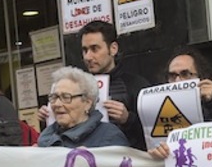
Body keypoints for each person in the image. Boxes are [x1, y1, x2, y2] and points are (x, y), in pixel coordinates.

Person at [38, 20, 150, 150]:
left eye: (94, 49)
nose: (88, 56)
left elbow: (154, 134)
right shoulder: (75, 84)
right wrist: (48, 118)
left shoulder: (135, 85)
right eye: (85, 50)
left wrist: (128, 119)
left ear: (113, 48)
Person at [38, 66, 129, 148]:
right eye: (54, 97)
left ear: (87, 103)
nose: (57, 104)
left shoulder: (110, 137)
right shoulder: (45, 139)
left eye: (66, 97)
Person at [164, 45, 212, 120]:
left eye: (185, 74)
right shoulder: (161, 107)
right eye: (172, 76)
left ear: (201, 76)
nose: (177, 81)